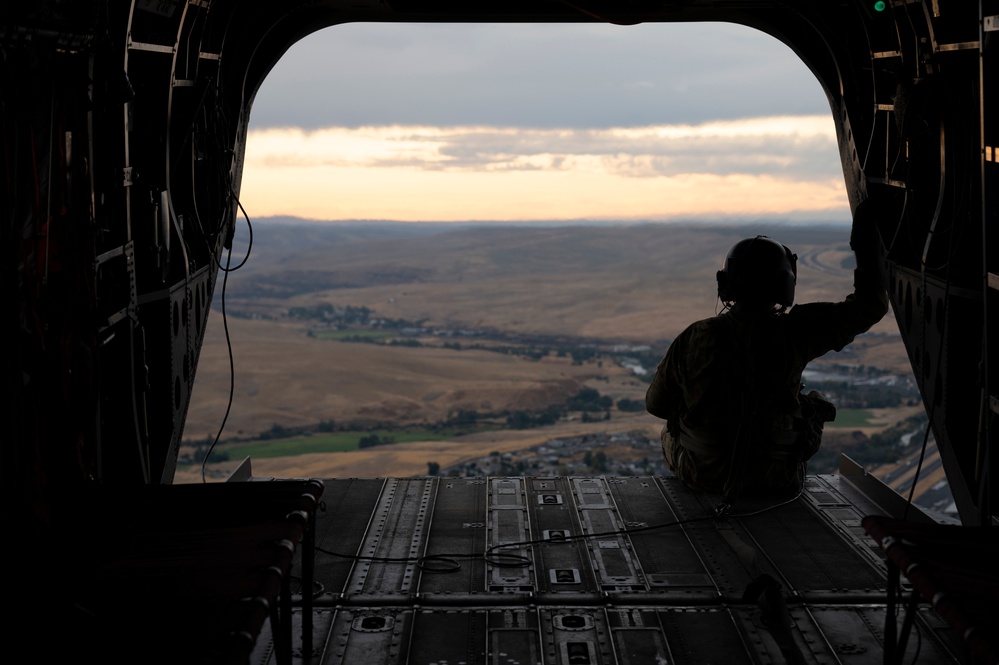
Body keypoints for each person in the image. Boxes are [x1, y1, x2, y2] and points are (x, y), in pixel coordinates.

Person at [645, 201, 889, 499]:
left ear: (726, 283)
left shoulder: (695, 335)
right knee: (811, 405)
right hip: (776, 478)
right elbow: (869, 305)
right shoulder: (797, 332)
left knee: (671, 430)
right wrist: (865, 241)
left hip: (703, 475)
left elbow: (656, 404)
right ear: (786, 284)